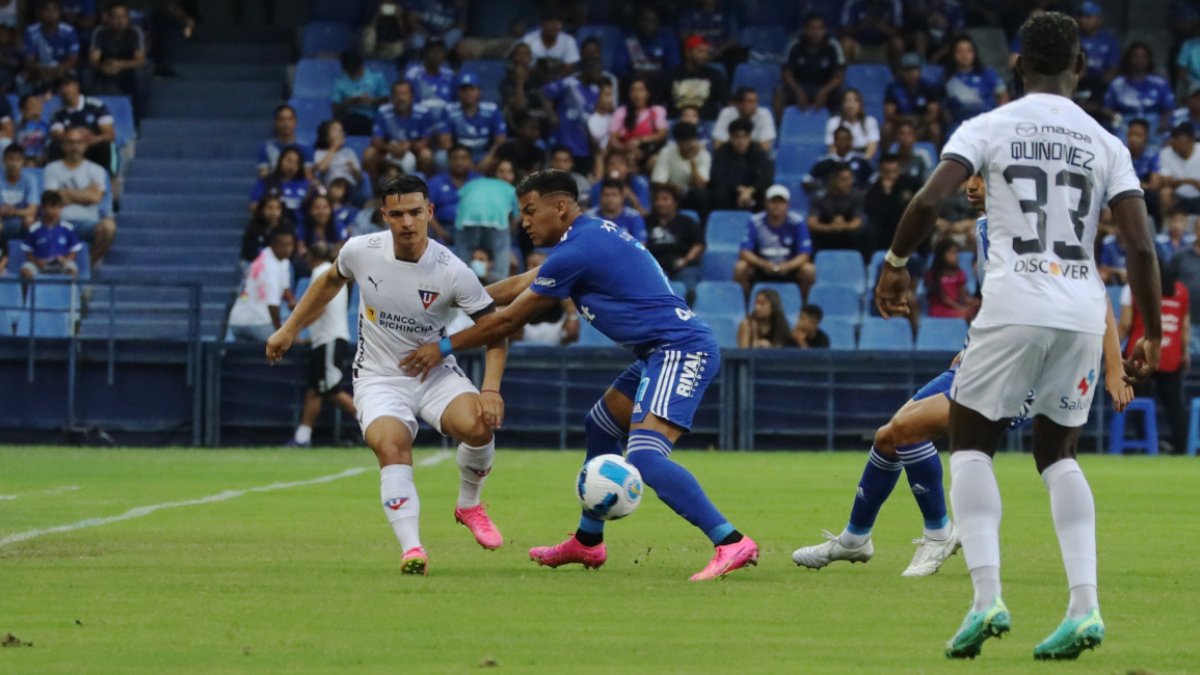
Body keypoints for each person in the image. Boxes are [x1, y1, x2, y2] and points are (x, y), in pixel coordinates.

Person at [874, 12, 1161, 660]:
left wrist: (894, 267)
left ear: (1016, 65)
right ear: (1081, 68)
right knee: (1058, 453)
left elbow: (927, 201)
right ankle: (1084, 607)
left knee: (972, 444)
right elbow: (1141, 246)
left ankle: (986, 598)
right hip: (1083, 311)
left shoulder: (988, 127)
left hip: (1013, 301)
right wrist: (1152, 330)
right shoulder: (1105, 141)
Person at [399, 169, 760, 581]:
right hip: (657, 353)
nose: (526, 222)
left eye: (531, 211)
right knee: (600, 426)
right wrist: (450, 299)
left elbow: (506, 321)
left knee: (644, 457)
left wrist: (441, 347)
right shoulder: (584, 241)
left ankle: (730, 540)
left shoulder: (579, 250)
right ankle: (588, 542)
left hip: (679, 350)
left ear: (561, 206)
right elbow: (520, 283)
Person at [799, 172, 1133, 582]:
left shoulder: (1038, 231)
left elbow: (1094, 294)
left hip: (1026, 372)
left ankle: (939, 532)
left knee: (909, 430)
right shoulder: (985, 229)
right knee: (889, 436)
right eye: (970, 178)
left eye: (983, 179)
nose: (971, 186)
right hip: (983, 357)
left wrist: (1115, 369)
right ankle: (855, 539)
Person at [266, 175, 511, 576]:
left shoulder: (453, 271)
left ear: (430, 213)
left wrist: (490, 388)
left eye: (415, 212)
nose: (407, 223)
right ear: (384, 216)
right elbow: (330, 281)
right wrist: (290, 329)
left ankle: (469, 504)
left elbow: (495, 329)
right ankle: (412, 548)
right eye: (397, 214)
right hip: (378, 378)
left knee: (479, 426)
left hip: (436, 375)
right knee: (391, 447)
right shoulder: (362, 251)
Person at [286, 242, 358, 448]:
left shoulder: (320, 272)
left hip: (329, 341)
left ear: (310, 257)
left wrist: (294, 328)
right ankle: (302, 437)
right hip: (327, 340)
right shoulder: (333, 272)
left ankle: (374, 424)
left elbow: (320, 308)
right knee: (317, 390)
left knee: (330, 390)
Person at [1120, 265, 1189, 453]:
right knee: (1175, 406)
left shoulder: (1132, 288)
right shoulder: (1181, 290)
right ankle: (1182, 448)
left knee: (1140, 402)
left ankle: (1145, 445)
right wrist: (1185, 353)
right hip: (1171, 355)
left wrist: (1111, 352)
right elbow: (1184, 326)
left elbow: (1125, 324)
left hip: (1141, 354)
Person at [42, 126, 114, 266]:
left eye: (79, 142)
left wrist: (64, 193)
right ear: (63, 145)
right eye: (70, 142)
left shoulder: (97, 170)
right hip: (59, 221)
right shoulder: (52, 168)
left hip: (89, 222)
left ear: (86, 145)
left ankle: (88, 264)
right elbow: (51, 200)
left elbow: (96, 198)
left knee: (109, 228)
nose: (74, 146)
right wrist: (86, 193)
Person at [735, 184, 816, 299]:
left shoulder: (797, 222)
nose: (777, 206)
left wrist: (787, 266)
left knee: (809, 270)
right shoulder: (755, 221)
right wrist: (763, 264)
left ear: (787, 205)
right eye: (773, 202)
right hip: (762, 266)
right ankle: (744, 303)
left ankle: (803, 304)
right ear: (766, 203)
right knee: (740, 267)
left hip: (788, 266)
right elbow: (744, 251)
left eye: (781, 202)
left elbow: (805, 254)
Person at [455, 159, 520, 283]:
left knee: (462, 267)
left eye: (509, 172)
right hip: (496, 222)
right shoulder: (510, 188)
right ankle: (499, 286)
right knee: (501, 255)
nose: (505, 175)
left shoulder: (472, 183)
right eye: (501, 171)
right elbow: (516, 218)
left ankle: (460, 286)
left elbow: (461, 199)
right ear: (495, 173)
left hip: (466, 221)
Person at [229, 227, 295, 342]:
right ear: (273, 245)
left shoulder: (281, 259)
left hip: (240, 320)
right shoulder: (269, 267)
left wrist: (292, 301)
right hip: (254, 322)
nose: (288, 249)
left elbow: (285, 288)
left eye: (290, 245)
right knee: (290, 342)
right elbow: (272, 304)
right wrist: (281, 332)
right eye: (283, 245)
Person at [542, 59, 606, 175]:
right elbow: (544, 93)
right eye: (596, 71)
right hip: (564, 139)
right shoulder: (569, 83)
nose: (599, 74)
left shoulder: (595, 91)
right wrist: (551, 113)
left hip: (584, 145)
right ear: (586, 70)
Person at [86, 1, 147, 121]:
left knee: (141, 75)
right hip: (105, 69)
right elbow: (93, 59)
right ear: (108, 18)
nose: (120, 20)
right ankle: (88, 114)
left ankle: (137, 116)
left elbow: (140, 60)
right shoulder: (100, 32)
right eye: (116, 16)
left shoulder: (135, 32)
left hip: (127, 70)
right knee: (86, 74)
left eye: (124, 16)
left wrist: (120, 65)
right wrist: (103, 66)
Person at [645, 182, 703, 302]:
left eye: (665, 199)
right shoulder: (647, 222)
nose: (660, 203)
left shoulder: (687, 221)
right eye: (657, 199)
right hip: (655, 267)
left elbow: (699, 244)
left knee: (688, 292)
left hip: (683, 265)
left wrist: (685, 260)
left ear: (675, 202)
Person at [778, 14, 845, 117]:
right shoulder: (795, 45)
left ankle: (835, 126)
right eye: (812, 28)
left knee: (843, 94)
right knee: (779, 93)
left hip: (825, 86)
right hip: (799, 86)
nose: (815, 32)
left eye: (819, 28)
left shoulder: (833, 45)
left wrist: (824, 92)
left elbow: (839, 76)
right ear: (805, 30)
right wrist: (798, 91)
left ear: (824, 30)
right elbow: (787, 74)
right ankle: (780, 127)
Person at [365, 80, 433, 180]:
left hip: (413, 151)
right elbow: (376, 141)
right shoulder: (383, 111)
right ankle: (375, 191)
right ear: (392, 97)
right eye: (397, 94)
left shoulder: (423, 112)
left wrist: (408, 146)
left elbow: (425, 141)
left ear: (412, 97)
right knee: (369, 153)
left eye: (404, 94)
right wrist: (391, 148)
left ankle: (425, 190)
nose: (400, 98)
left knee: (426, 155)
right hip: (388, 153)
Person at [48, 74, 116, 173]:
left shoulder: (97, 106)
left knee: (106, 146)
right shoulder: (58, 113)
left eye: (67, 85)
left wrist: (93, 139)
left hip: (93, 144)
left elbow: (109, 134)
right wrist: (76, 136)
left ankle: (109, 179)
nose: (64, 89)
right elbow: (56, 134)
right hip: (71, 145)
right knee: (54, 146)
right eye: (61, 87)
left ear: (76, 86)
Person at [511, 250, 579, 346]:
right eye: (528, 265)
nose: (529, 269)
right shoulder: (523, 286)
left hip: (556, 331)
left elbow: (573, 328)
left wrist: (572, 317)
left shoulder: (559, 283)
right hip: (527, 330)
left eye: (534, 265)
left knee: (572, 326)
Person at [438, 72, 507, 167]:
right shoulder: (449, 110)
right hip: (460, 155)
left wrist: (489, 157)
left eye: (471, 88)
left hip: (486, 154)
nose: (467, 93)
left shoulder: (492, 110)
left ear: (479, 91)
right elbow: (445, 141)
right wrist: (464, 159)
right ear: (458, 93)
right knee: (440, 157)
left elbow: (500, 140)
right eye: (463, 89)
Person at [1102, 43, 1175, 133]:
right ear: (1128, 59)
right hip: (1125, 126)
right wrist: (1116, 118)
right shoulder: (1117, 84)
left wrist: (1162, 127)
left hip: (1153, 128)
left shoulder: (1160, 83)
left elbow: (1169, 109)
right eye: (1136, 56)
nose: (1140, 60)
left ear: (1149, 60)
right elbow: (1107, 108)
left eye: (1144, 57)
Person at [942, 35, 1008, 131]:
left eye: (969, 51)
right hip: (959, 126)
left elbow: (1003, 96)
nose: (965, 55)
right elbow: (944, 107)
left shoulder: (988, 73)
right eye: (960, 51)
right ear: (953, 54)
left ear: (974, 53)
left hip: (987, 124)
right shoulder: (947, 78)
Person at [708, 118, 773, 212]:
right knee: (718, 193)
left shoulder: (758, 152)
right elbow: (717, 178)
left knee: (766, 193)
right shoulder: (721, 153)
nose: (741, 141)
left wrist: (750, 191)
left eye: (745, 137)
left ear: (750, 138)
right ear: (730, 137)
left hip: (753, 192)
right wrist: (739, 189)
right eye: (737, 137)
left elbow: (766, 177)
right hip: (730, 192)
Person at [249, 146, 313, 233]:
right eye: (289, 160)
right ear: (280, 160)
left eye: (296, 163)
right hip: (272, 229)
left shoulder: (307, 185)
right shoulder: (267, 182)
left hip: (301, 229)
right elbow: (254, 206)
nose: (292, 166)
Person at [864, 154, 920, 253]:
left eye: (894, 171)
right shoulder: (874, 189)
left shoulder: (911, 183)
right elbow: (875, 215)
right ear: (880, 171)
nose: (891, 176)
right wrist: (886, 193)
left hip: (908, 225)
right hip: (885, 229)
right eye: (887, 172)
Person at [884, 52, 943, 146]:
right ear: (902, 71)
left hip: (921, 125)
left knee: (934, 129)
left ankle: (937, 157)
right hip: (900, 123)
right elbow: (889, 114)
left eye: (914, 69)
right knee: (887, 128)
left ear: (919, 70)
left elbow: (933, 114)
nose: (911, 73)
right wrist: (906, 120)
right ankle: (887, 158)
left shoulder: (928, 87)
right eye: (907, 69)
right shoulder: (893, 88)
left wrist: (919, 121)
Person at [19, 190, 79, 280]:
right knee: (25, 271)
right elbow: (28, 252)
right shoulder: (34, 229)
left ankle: (72, 294)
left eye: (58, 207)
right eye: (52, 207)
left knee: (72, 270)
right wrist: (37, 262)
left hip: (61, 264)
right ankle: (27, 294)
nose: (56, 211)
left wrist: (65, 260)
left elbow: (74, 250)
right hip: (39, 264)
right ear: (43, 208)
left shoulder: (68, 228)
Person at [608, 76, 668, 164]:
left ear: (648, 93)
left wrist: (640, 140)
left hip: (649, 153)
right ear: (629, 94)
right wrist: (626, 149)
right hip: (625, 154)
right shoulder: (621, 112)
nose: (637, 95)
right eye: (633, 90)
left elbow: (662, 134)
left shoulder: (657, 110)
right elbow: (612, 139)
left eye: (641, 90)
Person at [667, 35, 727, 121]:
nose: (704, 56)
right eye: (700, 51)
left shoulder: (714, 75)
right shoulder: (671, 75)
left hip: (706, 122)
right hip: (678, 121)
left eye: (706, 52)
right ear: (687, 52)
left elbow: (726, 101)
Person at [649, 121, 710, 207]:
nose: (691, 145)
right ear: (678, 143)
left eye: (693, 140)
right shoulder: (666, 152)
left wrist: (692, 162)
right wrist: (676, 189)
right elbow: (658, 183)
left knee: (701, 194)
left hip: (692, 195)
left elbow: (700, 186)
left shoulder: (704, 155)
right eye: (686, 142)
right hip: (671, 193)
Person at [332, 49, 390, 136]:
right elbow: (335, 109)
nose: (354, 74)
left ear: (361, 65)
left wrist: (372, 101)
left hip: (373, 117)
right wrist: (348, 102)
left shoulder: (377, 78)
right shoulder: (340, 83)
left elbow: (386, 100)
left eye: (356, 70)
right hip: (350, 118)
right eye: (350, 71)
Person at [24, 0, 79, 91]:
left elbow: (72, 59)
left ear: (59, 13)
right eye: (47, 10)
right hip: (40, 69)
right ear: (40, 13)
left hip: (62, 69)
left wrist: (59, 70)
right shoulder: (31, 31)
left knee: (72, 76)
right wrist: (42, 70)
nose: (50, 14)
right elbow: (30, 60)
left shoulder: (69, 31)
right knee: (22, 79)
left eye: (54, 11)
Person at [802, 126, 874, 196]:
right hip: (831, 201)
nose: (843, 142)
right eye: (839, 139)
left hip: (855, 200)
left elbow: (874, 178)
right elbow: (807, 180)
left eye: (846, 139)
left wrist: (864, 192)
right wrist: (825, 189)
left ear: (851, 141)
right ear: (834, 141)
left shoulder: (861, 160)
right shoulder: (825, 161)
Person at [426, 144, 477, 241]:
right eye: (455, 158)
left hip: (473, 230)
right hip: (444, 229)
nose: (459, 162)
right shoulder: (435, 182)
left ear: (470, 161)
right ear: (448, 160)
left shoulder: (479, 181)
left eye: (464, 158)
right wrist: (442, 233)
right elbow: (426, 210)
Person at [925, 238, 979, 319]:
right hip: (939, 309)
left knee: (979, 309)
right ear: (941, 255)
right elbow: (944, 299)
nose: (955, 256)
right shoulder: (932, 274)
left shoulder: (960, 273)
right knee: (965, 315)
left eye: (956, 252)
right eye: (951, 253)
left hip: (955, 308)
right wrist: (960, 308)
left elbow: (964, 297)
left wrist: (975, 302)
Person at [520, 6, 578, 79]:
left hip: (560, 81)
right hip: (533, 80)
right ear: (542, 23)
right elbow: (525, 67)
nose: (555, 25)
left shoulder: (569, 40)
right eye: (551, 21)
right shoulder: (528, 40)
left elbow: (569, 67)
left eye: (558, 21)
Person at [257, 104, 314, 179]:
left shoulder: (306, 148)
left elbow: (308, 177)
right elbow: (263, 176)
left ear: (295, 122)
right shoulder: (266, 148)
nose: (286, 124)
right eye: (282, 119)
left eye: (289, 119)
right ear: (276, 122)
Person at [838, 0, 904, 64]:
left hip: (883, 44)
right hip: (859, 44)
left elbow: (899, 31)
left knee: (897, 43)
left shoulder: (892, 2)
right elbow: (844, 30)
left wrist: (881, 27)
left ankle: (895, 72)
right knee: (847, 43)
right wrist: (863, 25)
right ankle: (848, 72)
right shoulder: (853, 2)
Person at [713, 87, 776, 153]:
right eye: (750, 102)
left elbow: (765, 147)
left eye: (755, 101)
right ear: (738, 104)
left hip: (755, 156)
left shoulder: (764, 114)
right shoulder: (726, 113)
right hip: (730, 157)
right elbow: (718, 145)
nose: (754, 105)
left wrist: (738, 143)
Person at [825, 88, 880, 160]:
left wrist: (862, 163)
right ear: (842, 104)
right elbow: (831, 146)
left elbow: (872, 146)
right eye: (847, 101)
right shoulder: (833, 122)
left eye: (855, 101)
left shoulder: (870, 122)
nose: (850, 105)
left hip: (862, 160)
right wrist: (840, 163)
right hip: (839, 161)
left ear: (860, 104)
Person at [587, 178, 647, 244]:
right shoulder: (589, 217)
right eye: (606, 195)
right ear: (600, 196)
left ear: (622, 197)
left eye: (614, 195)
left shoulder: (634, 216)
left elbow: (641, 245)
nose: (610, 199)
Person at [1158, 123, 1200, 215]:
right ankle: (1165, 227)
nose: (1173, 141)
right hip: (1178, 197)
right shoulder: (1166, 153)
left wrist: (1178, 182)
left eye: (1177, 138)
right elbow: (1165, 182)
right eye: (1172, 137)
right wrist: (1190, 181)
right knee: (1165, 192)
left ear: (1191, 139)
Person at [404, 38, 455, 109]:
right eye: (433, 51)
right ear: (425, 53)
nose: (437, 55)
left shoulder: (450, 75)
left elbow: (454, 103)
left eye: (440, 51)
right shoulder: (413, 75)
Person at [0, 144, 39, 237]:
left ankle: (31, 249)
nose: (14, 163)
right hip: (2, 217)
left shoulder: (30, 179)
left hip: (21, 218)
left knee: (30, 219)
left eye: (18, 160)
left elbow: (33, 209)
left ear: (23, 162)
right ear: (4, 161)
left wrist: (14, 211)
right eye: (10, 159)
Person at [241, 195, 292, 265]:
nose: (274, 212)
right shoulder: (253, 227)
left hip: (279, 262)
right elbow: (248, 252)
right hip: (256, 262)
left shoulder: (286, 228)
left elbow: (290, 251)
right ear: (262, 209)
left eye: (277, 208)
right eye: (270, 208)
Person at [313, 119, 363, 189]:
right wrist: (333, 148)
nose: (340, 133)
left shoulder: (349, 152)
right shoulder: (320, 153)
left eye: (341, 131)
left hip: (349, 186)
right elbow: (321, 168)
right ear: (326, 136)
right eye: (336, 130)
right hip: (330, 186)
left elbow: (360, 178)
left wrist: (353, 169)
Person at [16, 94, 50, 166]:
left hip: (42, 162)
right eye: (32, 103)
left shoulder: (46, 126)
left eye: (38, 103)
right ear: (23, 109)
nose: (37, 106)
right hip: (22, 162)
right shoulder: (17, 127)